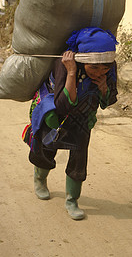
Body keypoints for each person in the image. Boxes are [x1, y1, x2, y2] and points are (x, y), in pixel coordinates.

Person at [22, 27, 118, 220]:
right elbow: (62, 105)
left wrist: (104, 87)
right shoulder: (63, 64)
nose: (100, 71)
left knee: (79, 160)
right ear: (83, 59)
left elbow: (109, 101)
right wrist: (72, 72)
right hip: (55, 117)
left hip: (83, 119)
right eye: (94, 68)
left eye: (105, 68)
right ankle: (40, 180)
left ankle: (72, 200)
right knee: (46, 150)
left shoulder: (109, 69)